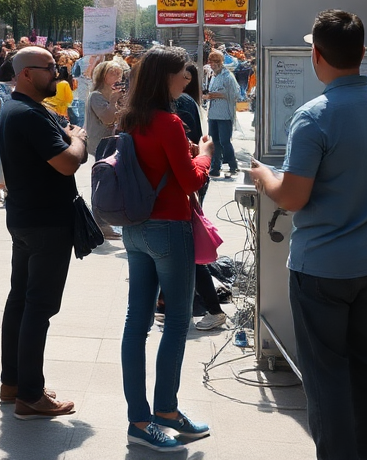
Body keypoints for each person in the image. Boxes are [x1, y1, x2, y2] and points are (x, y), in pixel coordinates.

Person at [249, 10, 367, 460]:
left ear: (316, 55)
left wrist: (265, 176)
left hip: (322, 266)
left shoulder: (313, 116)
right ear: (362, 53)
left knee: (327, 378)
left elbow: (294, 197)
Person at [112, 48, 214, 451]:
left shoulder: (130, 119)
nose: (186, 81)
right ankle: (163, 412)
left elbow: (155, 165)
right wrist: (204, 156)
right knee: (175, 322)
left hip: (135, 228)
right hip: (169, 227)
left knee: (135, 324)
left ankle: (142, 417)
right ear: (164, 78)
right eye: (181, 76)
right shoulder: (169, 121)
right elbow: (190, 182)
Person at [0, 47, 86, 419]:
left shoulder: (19, 109)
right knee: (39, 307)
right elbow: (67, 163)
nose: (58, 74)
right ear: (26, 74)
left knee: (21, 300)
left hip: (27, 218)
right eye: (50, 68)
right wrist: (78, 139)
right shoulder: (28, 114)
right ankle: (30, 395)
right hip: (46, 223)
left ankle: (14, 382)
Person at [172, 62, 226, 331]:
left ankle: (209, 307)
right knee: (186, 251)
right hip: (169, 200)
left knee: (190, 251)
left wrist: (203, 155)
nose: (185, 81)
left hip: (177, 195)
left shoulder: (176, 107)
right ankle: (180, 304)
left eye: (186, 76)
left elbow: (191, 172)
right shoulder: (167, 109)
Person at [203, 50, 241, 178]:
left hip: (224, 114)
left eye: (215, 62)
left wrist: (216, 95)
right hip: (213, 113)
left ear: (220, 63)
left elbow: (235, 94)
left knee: (225, 141)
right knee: (215, 142)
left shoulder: (228, 76)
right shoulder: (213, 76)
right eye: (211, 62)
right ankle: (215, 168)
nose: (212, 65)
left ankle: (232, 165)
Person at [87, 60, 124, 159]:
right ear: (102, 76)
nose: (118, 76)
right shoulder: (96, 96)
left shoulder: (117, 94)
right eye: (113, 73)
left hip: (113, 141)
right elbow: (108, 120)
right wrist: (112, 103)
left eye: (119, 73)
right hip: (100, 143)